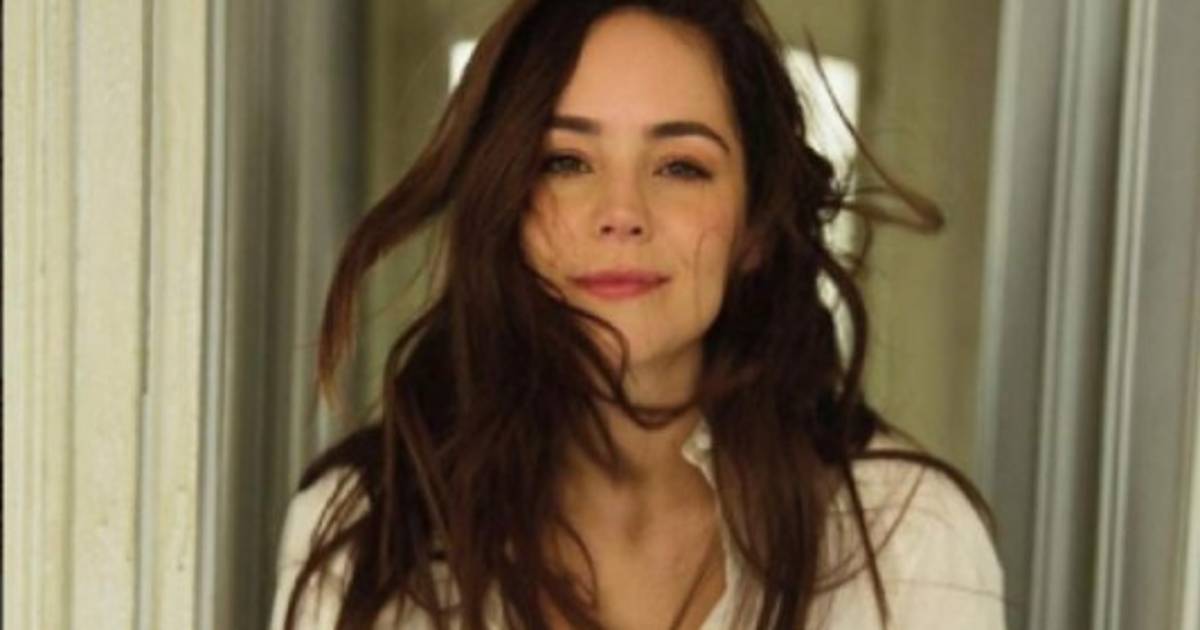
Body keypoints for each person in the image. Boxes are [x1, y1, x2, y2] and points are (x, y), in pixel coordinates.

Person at [269, 0, 1008, 628]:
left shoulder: (908, 538)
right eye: (565, 162)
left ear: (754, 227)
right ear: (504, 207)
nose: (621, 212)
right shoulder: (365, 533)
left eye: (681, 166)